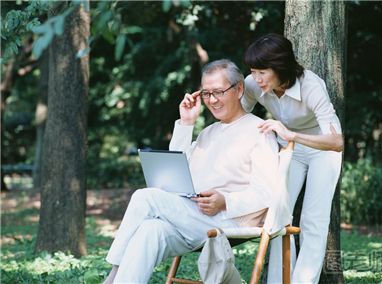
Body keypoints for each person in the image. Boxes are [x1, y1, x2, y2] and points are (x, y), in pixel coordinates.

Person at [103, 59, 291, 283]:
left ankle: (112, 274)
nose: (212, 100)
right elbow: (176, 171)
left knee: (144, 197)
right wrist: (186, 123)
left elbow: (267, 193)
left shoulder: (260, 131)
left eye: (219, 92)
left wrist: (225, 201)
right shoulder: (207, 133)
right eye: (206, 93)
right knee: (149, 230)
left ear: (239, 89)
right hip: (192, 216)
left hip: (228, 220)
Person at [242, 33, 343, 284]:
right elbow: (238, 115)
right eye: (253, 71)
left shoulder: (311, 86)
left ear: (280, 66)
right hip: (289, 148)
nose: (256, 78)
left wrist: (291, 134)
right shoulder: (253, 84)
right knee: (278, 215)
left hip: (322, 148)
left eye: (262, 72)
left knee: (313, 219)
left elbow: (336, 142)